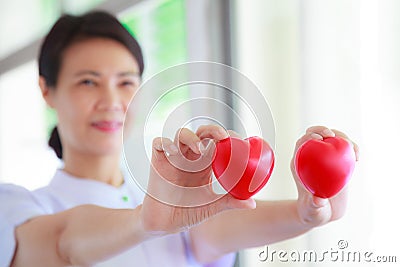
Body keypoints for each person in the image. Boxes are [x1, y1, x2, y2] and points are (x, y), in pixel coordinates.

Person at [0, 11, 359, 267]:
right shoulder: (19, 210)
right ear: (47, 90)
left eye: (126, 82)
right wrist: (144, 222)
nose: (111, 102)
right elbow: (62, 245)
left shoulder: (166, 197)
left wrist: (306, 212)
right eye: (88, 82)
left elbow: (210, 233)